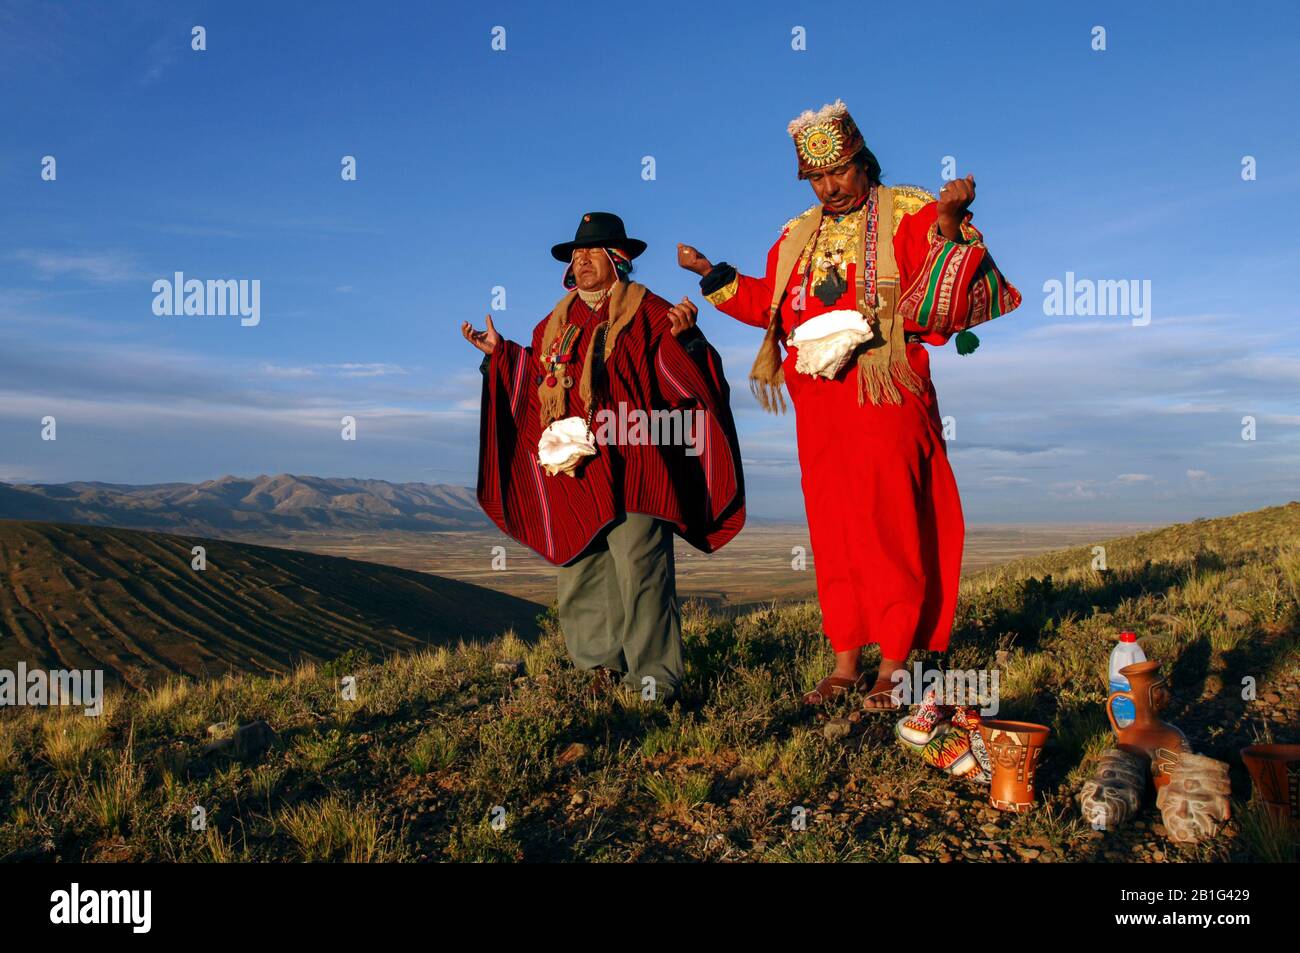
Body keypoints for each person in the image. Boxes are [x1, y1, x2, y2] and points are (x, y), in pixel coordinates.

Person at [677, 100, 1020, 709]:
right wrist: (711, 273)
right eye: (816, 177)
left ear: (864, 163)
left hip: (886, 394)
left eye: (839, 172)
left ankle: (894, 663)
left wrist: (948, 219)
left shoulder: (907, 211)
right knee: (834, 527)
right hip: (822, 406)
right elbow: (772, 305)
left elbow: (936, 299)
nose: (829, 187)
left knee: (889, 523)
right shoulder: (797, 234)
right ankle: (846, 658)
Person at [464, 212, 745, 703]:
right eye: (576, 254)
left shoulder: (653, 313)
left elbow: (685, 385)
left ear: (620, 258)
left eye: (593, 251)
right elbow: (535, 381)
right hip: (576, 469)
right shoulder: (551, 324)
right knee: (579, 569)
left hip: (638, 463)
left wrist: (691, 342)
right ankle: (600, 666)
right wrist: (501, 356)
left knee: (642, 573)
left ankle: (655, 679)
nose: (582, 260)